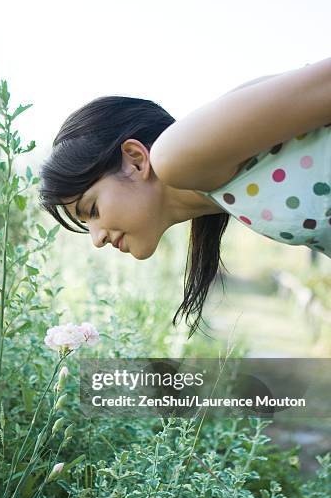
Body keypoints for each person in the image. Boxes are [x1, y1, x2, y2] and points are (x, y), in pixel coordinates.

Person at [39, 58, 331, 337]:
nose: (96, 238)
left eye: (92, 209)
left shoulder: (174, 155)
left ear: (136, 160)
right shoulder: (218, 188)